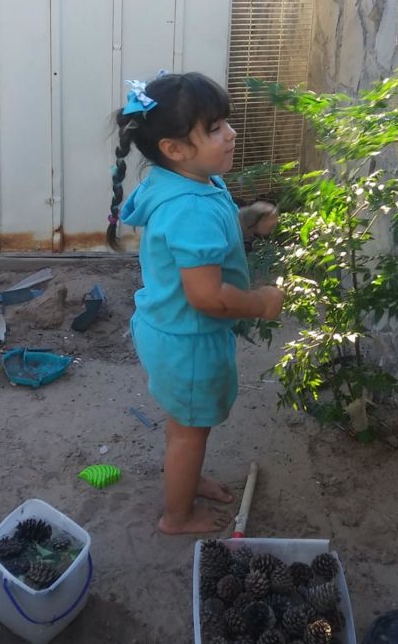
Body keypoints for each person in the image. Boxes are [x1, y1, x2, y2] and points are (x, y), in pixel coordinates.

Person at [107, 71, 284, 535]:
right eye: (215, 128)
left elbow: (204, 238)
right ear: (175, 148)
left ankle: (184, 479)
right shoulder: (191, 207)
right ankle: (177, 515)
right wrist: (261, 302)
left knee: (185, 422)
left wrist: (243, 219)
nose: (231, 134)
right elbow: (206, 296)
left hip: (168, 329)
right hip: (189, 341)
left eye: (225, 123)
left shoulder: (184, 182)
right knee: (190, 431)